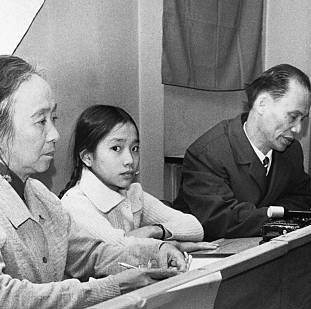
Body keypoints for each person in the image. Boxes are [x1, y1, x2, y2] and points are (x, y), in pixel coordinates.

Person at [0, 56, 186, 309]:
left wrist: (153, 253)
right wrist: (112, 287)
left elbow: (89, 255)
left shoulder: (38, 193)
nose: (55, 134)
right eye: (40, 121)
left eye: (53, 118)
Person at [174, 64, 311, 239]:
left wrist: (278, 215)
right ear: (262, 104)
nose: (298, 129)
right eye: (293, 117)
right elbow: (222, 221)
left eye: (303, 119)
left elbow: (303, 197)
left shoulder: (291, 150)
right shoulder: (207, 153)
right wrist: (299, 217)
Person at [60, 105, 213, 252]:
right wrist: (175, 246)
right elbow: (120, 249)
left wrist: (155, 230)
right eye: (116, 148)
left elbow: (195, 227)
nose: (130, 160)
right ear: (87, 157)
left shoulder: (132, 192)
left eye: (134, 149)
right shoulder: (75, 204)